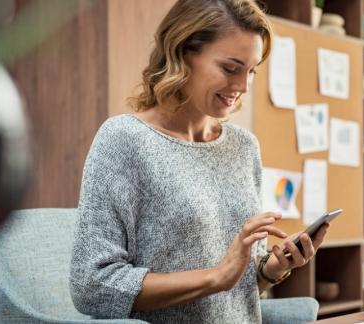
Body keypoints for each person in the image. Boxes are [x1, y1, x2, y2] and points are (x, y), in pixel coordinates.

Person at [69, 1, 329, 323]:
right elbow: (92, 286)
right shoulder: (123, 140)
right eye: (230, 69)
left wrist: (272, 269)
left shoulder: (244, 147)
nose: (243, 87)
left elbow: (237, 287)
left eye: (251, 71)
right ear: (182, 53)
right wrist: (215, 277)